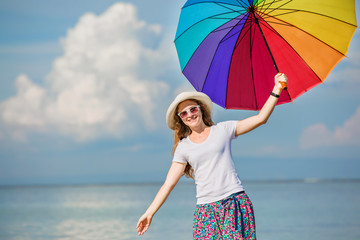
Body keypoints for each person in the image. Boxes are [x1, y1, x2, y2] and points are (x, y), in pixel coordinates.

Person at [136, 73, 288, 239]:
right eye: (184, 113)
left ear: (201, 110)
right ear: (181, 119)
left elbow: (260, 118)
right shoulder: (183, 147)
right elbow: (168, 184)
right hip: (206, 211)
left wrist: (277, 88)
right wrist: (149, 213)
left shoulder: (223, 130)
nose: (190, 114)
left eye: (193, 109)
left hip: (234, 202)